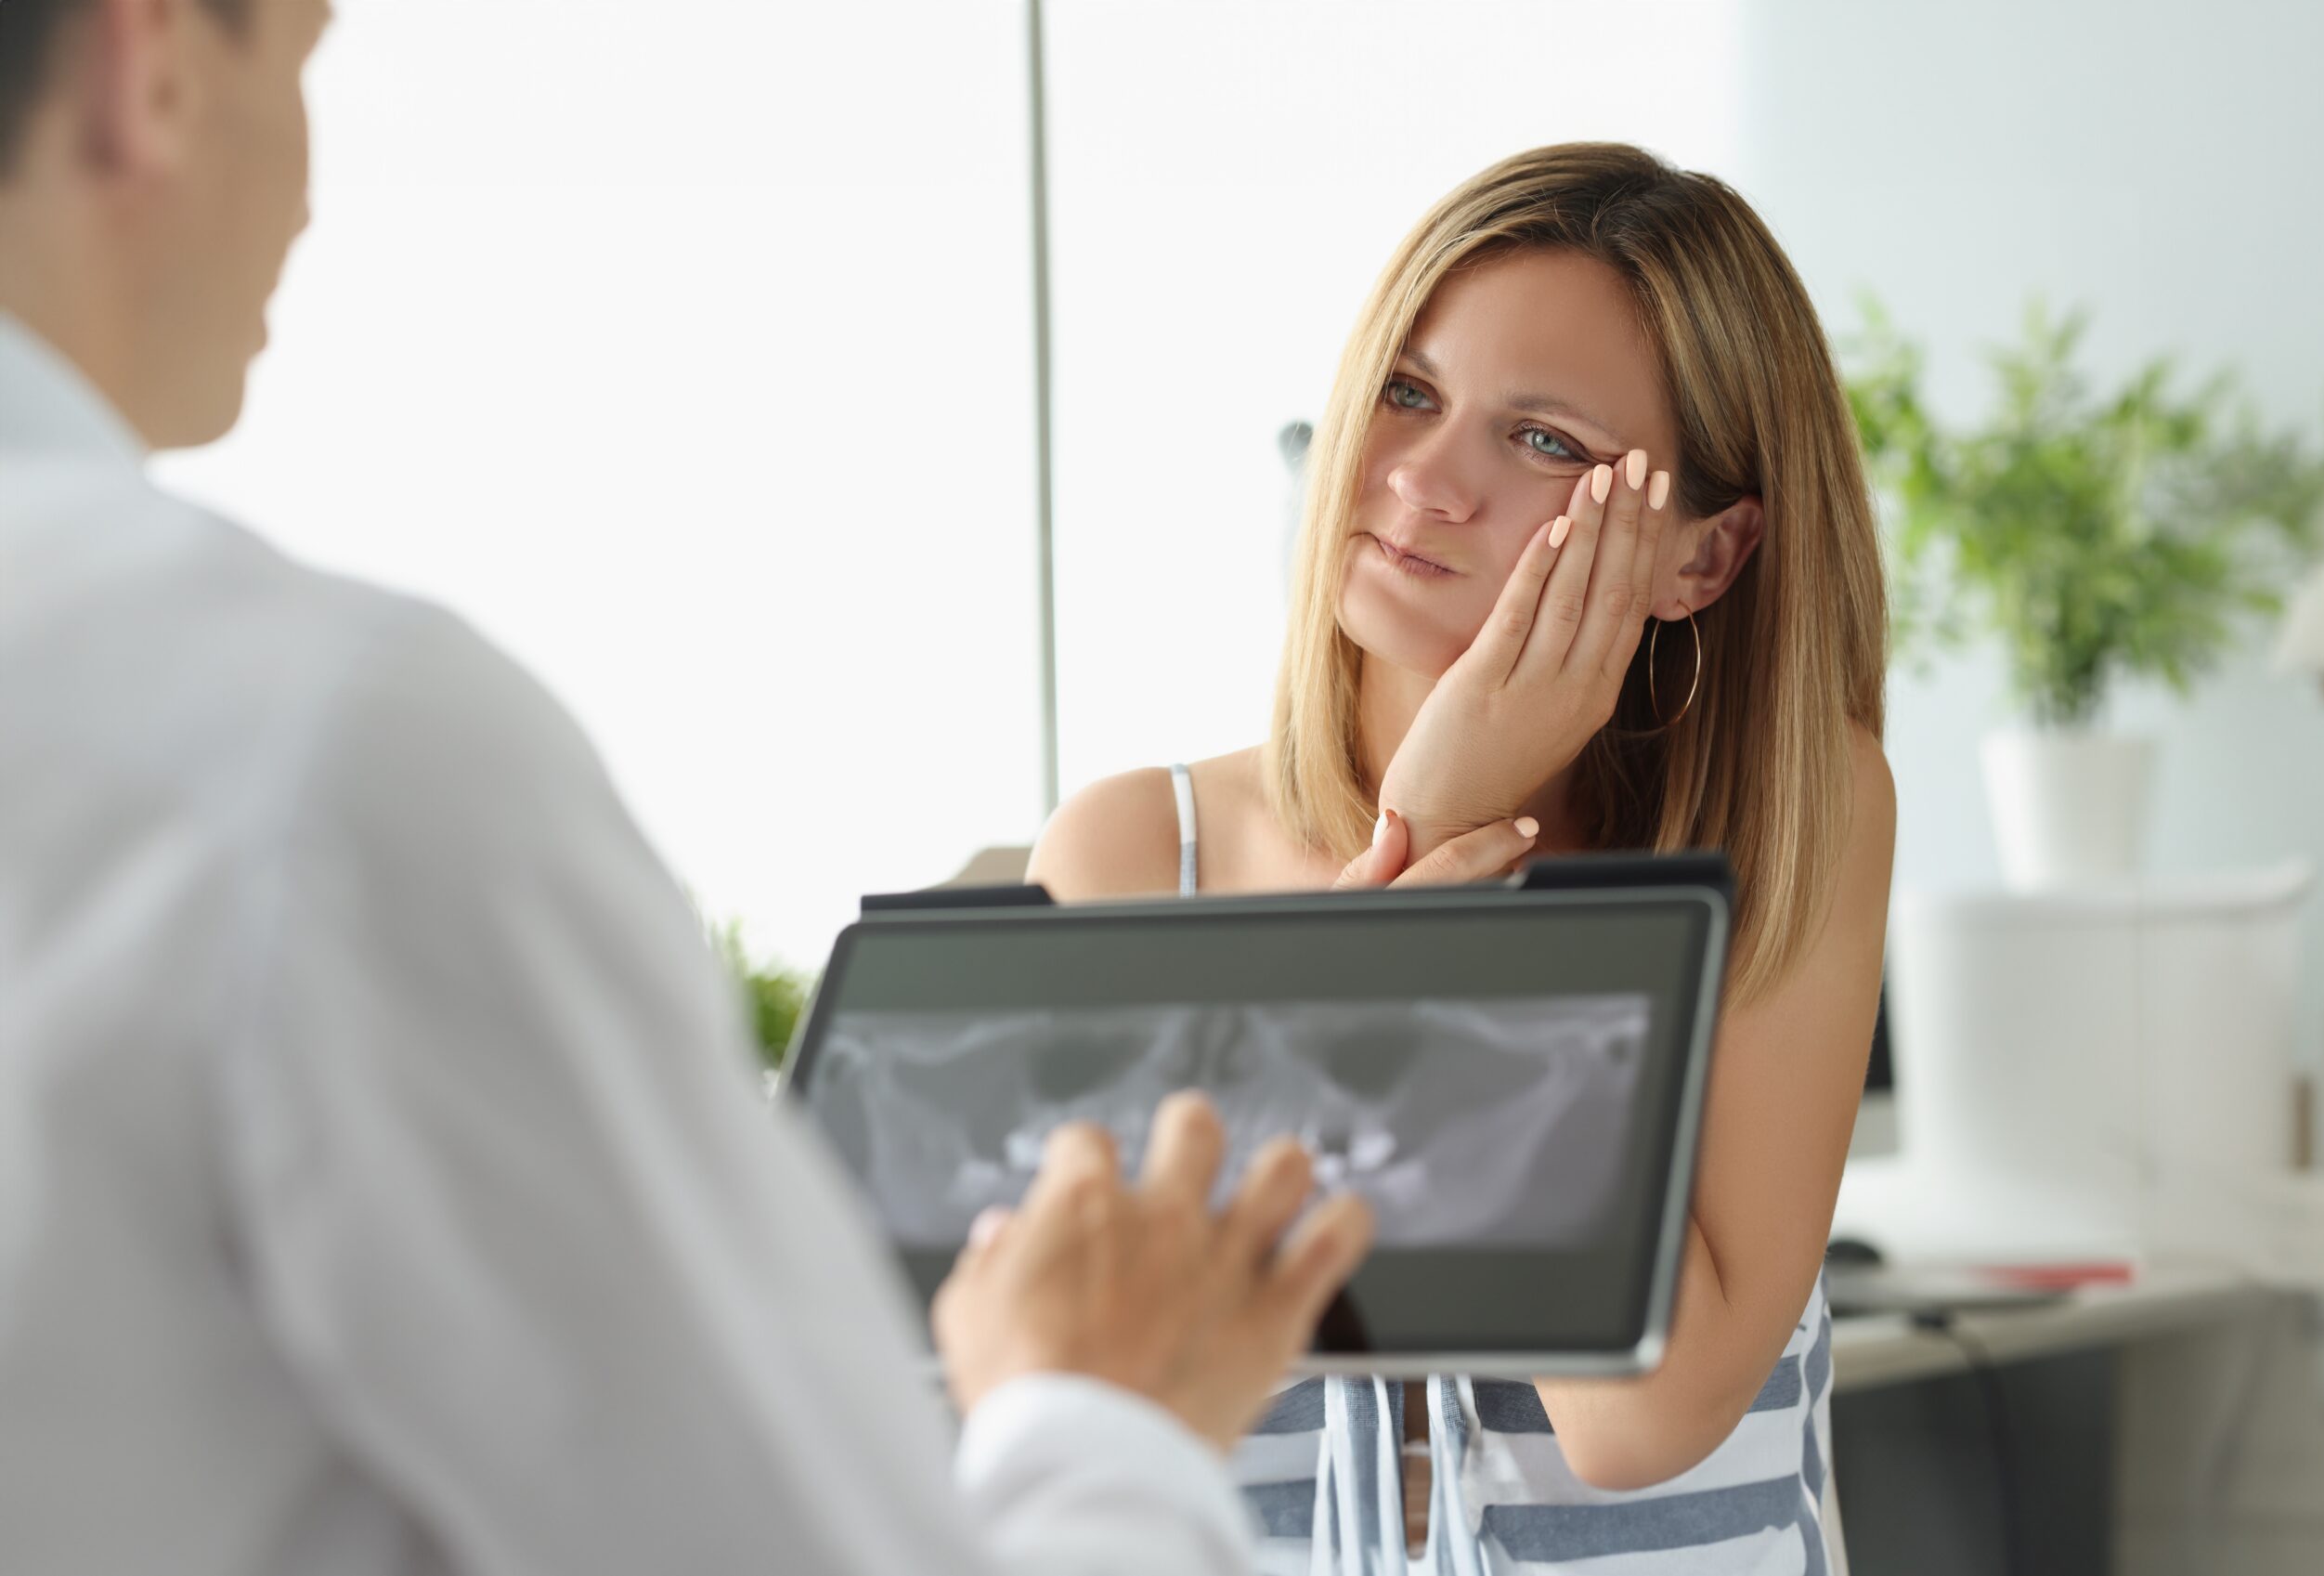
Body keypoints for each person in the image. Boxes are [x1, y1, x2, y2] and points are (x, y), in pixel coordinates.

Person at [0, 4, 1373, 1574]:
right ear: (152, 69)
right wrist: (1106, 1420)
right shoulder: (327, 750)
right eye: (303, 59)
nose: (311, 191)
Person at [1030, 142, 1895, 1573]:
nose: (1422, 480)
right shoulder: (1132, 856)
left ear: (1702, 557)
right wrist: (1410, 882)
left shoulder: (1795, 814)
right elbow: (1079, 1431)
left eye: (1543, 441)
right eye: (1408, 391)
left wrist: (1454, 892)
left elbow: (1637, 1418)